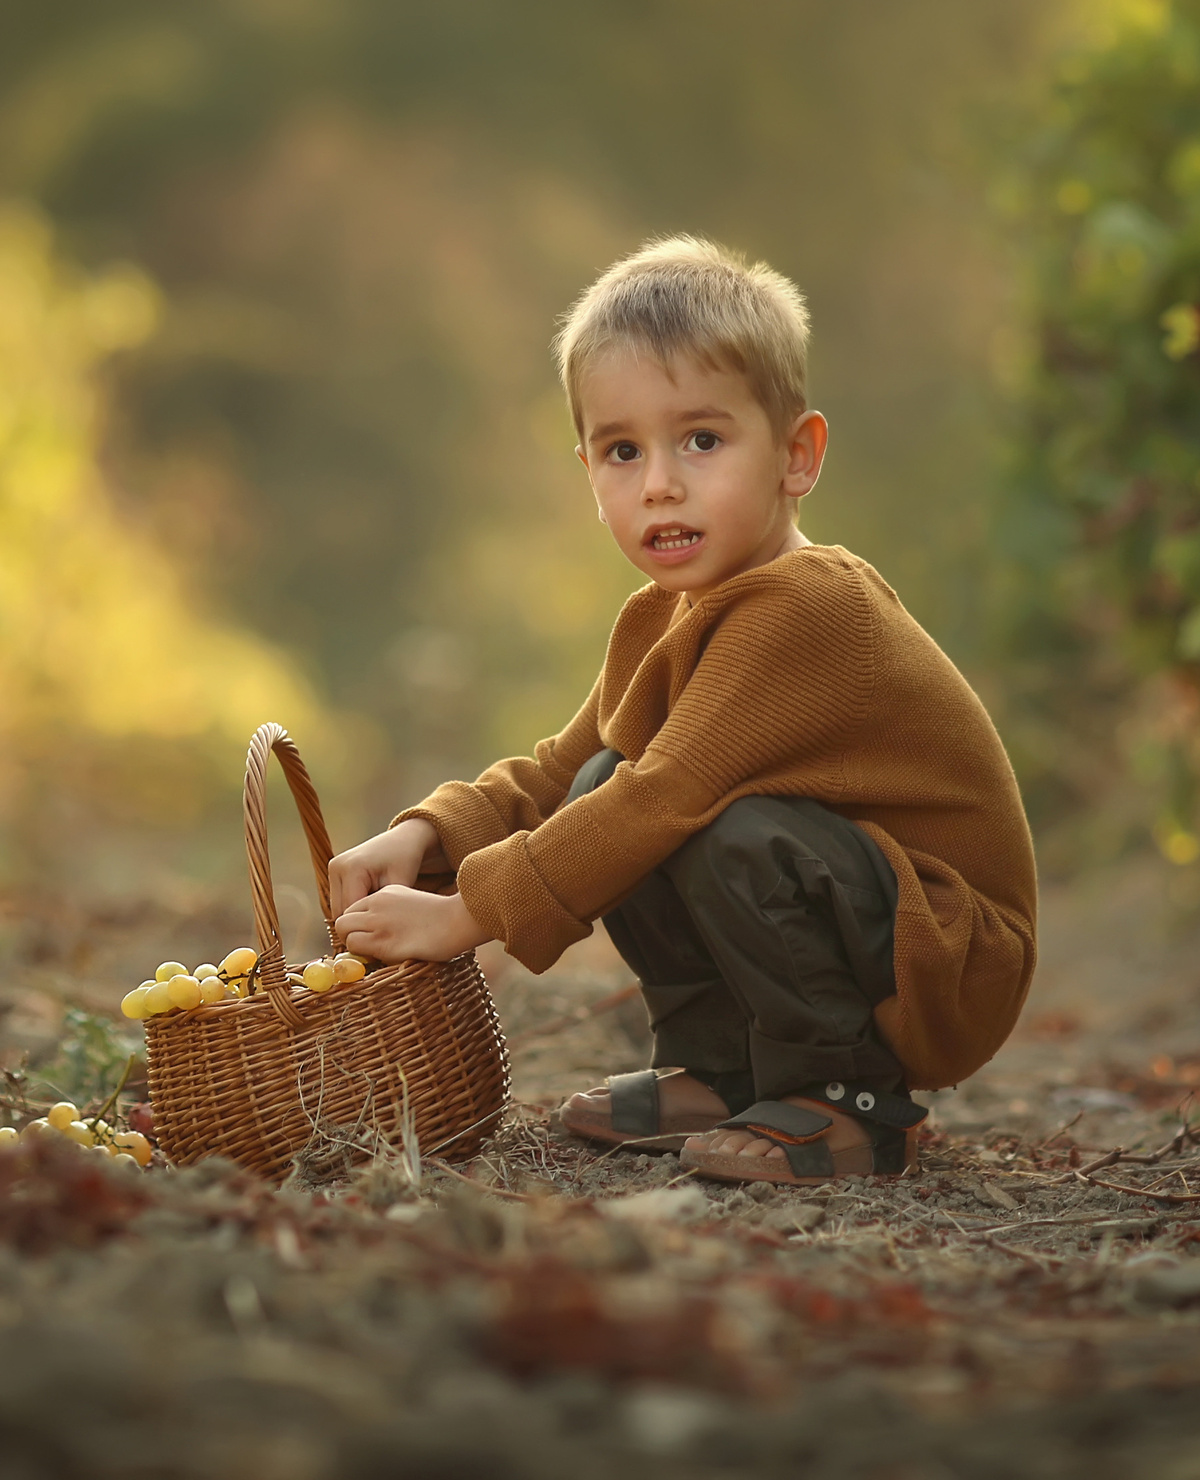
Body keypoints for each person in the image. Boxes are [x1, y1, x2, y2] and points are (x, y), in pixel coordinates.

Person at [327, 237, 1037, 1183]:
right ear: (588, 471)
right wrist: (429, 832)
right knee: (598, 779)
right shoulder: (669, 615)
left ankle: (847, 1100)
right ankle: (729, 1068)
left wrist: (468, 914)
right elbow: (562, 771)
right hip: (864, 909)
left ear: (797, 455)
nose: (660, 481)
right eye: (623, 451)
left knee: (709, 822)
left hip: (942, 947)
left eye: (702, 440)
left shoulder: (809, 605)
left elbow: (666, 797)